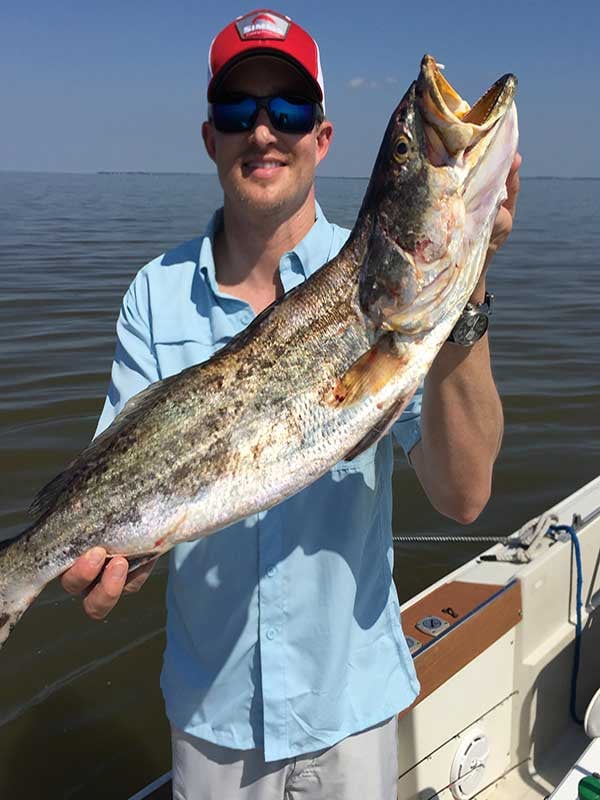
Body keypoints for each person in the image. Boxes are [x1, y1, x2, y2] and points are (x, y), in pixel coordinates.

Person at [61, 9, 521, 799]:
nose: (264, 131)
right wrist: (112, 562)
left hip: (352, 711)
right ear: (211, 138)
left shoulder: (386, 299)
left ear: (324, 137)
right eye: (239, 111)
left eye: (289, 110)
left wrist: (466, 289)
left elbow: (466, 494)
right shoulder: (154, 295)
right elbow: (114, 485)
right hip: (212, 720)